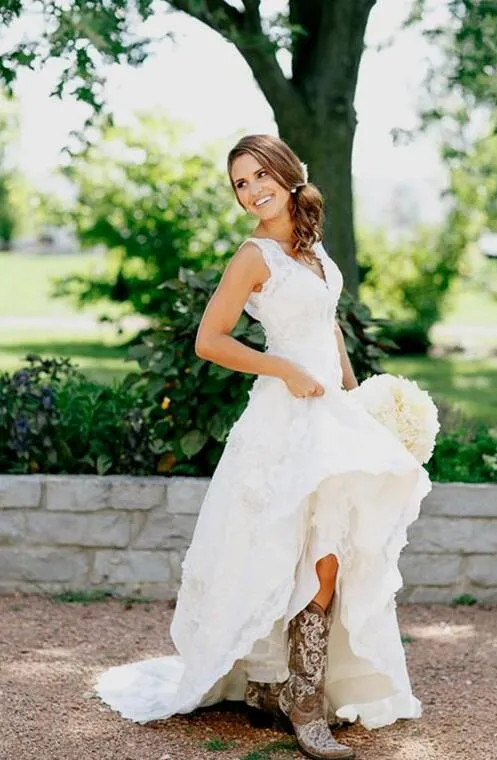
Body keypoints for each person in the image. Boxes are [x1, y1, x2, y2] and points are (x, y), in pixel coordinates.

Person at [95, 134, 432, 760]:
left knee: (331, 545)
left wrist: (357, 395)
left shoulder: (309, 246)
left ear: (287, 173)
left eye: (258, 176)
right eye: (240, 184)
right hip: (284, 416)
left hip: (331, 412)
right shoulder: (252, 256)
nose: (251, 192)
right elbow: (210, 339)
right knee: (286, 547)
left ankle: (290, 691)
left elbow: (328, 326)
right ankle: (290, 698)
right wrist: (281, 369)